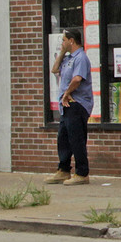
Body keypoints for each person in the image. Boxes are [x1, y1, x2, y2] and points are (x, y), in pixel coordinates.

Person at [48, 28, 93, 185]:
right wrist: (61, 53)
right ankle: (64, 170)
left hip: (77, 103)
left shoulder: (81, 58)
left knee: (76, 139)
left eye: (64, 40)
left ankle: (82, 173)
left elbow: (77, 79)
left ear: (71, 41)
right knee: (63, 138)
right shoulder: (68, 59)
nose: (62, 43)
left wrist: (67, 93)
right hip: (66, 104)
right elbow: (54, 70)